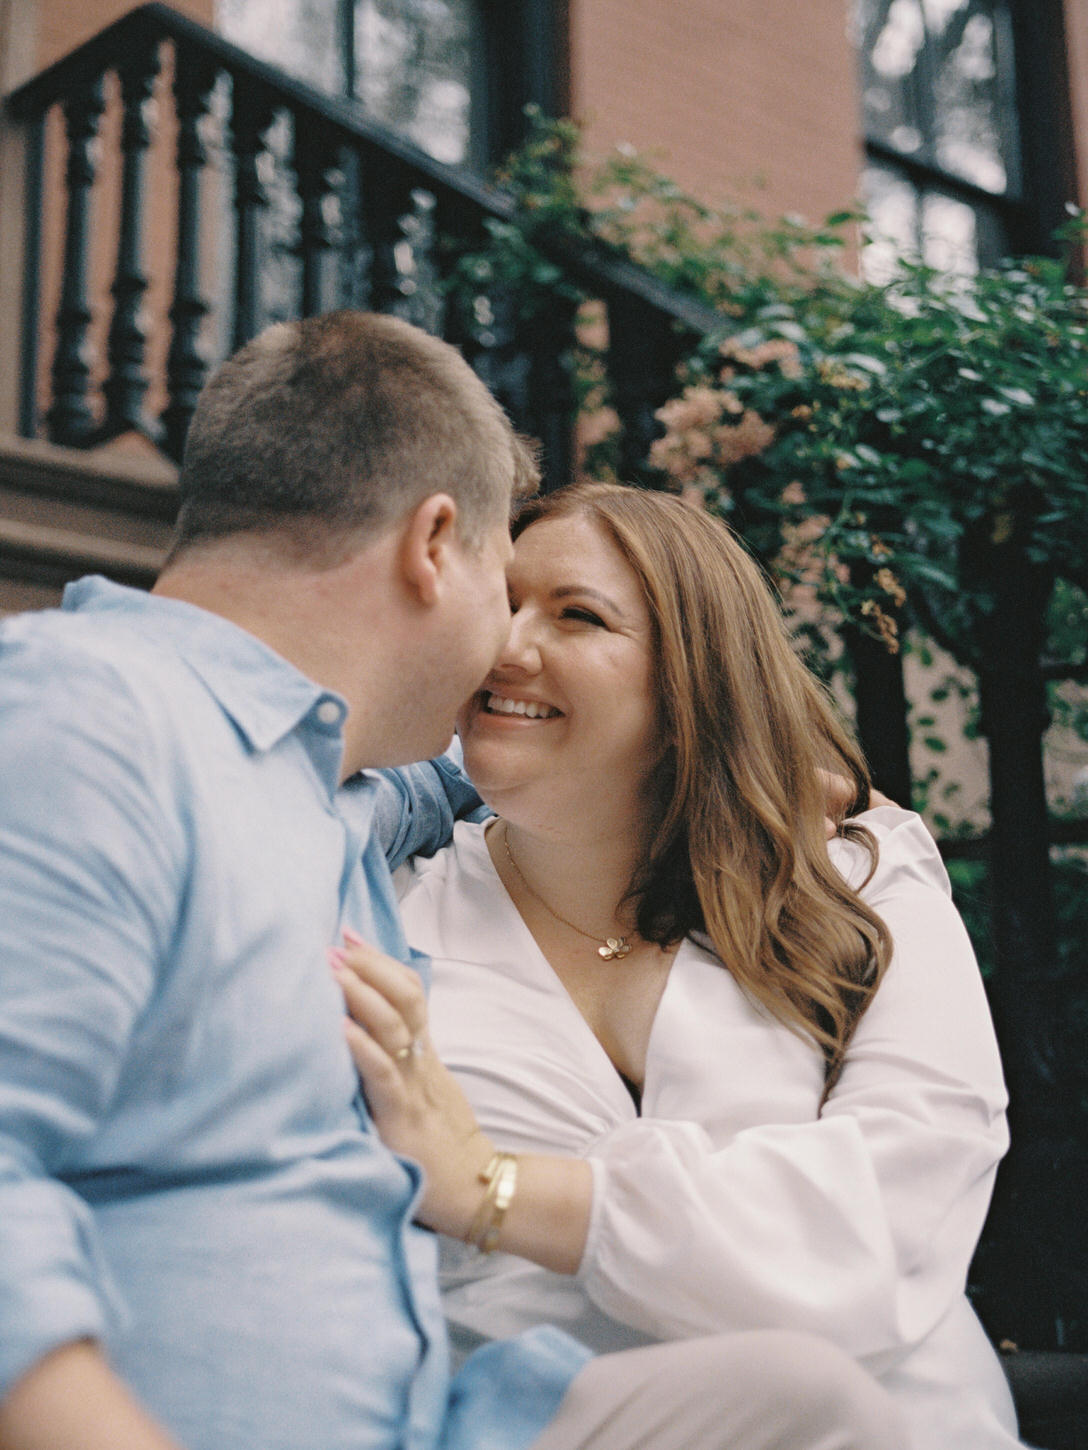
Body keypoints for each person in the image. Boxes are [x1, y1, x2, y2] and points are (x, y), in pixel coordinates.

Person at [0, 315, 905, 1450]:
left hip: (443, 1416)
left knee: (804, 1405)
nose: (506, 649)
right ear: (436, 545)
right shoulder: (86, 716)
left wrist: (722, 753)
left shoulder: (324, 787)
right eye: (503, 580)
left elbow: (467, 772)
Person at [334, 481, 1024, 1450]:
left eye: (577, 615)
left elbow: (891, 1213)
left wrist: (489, 1185)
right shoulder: (397, 907)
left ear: (689, 682)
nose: (506, 646)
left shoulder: (852, 880)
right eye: (501, 602)